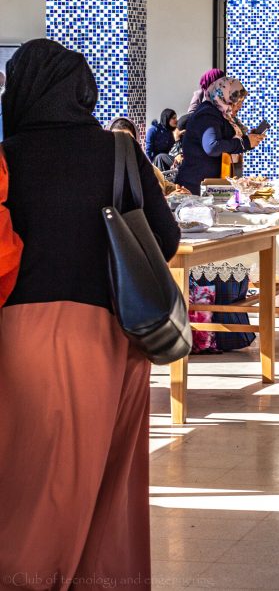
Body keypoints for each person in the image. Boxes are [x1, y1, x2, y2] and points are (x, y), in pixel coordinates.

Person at [0, 38, 180, 582]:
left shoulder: (8, 158)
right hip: (119, 334)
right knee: (110, 482)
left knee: (37, 482)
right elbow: (165, 240)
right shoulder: (119, 152)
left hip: (25, 336)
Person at [176, 76, 266, 194]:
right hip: (196, 187)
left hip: (211, 185)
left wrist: (249, 140)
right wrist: (245, 143)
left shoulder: (221, 113)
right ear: (225, 96)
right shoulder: (207, 114)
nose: (240, 106)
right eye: (238, 101)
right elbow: (212, 147)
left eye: (242, 101)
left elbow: (226, 139)